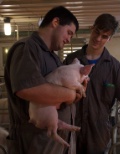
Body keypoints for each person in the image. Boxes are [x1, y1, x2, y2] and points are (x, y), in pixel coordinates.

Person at [64, 13, 120, 154]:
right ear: (92, 28)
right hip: (70, 130)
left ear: (109, 39)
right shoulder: (71, 60)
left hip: (98, 135)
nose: (98, 39)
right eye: (97, 32)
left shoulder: (113, 67)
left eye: (104, 36)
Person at [4, 6, 82, 154]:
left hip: (51, 140)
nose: (69, 39)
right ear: (55, 22)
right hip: (34, 142)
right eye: (69, 33)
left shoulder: (53, 57)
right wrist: (70, 94)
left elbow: (57, 95)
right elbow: (28, 89)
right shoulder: (27, 47)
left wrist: (74, 96)